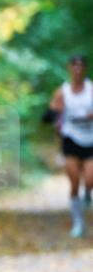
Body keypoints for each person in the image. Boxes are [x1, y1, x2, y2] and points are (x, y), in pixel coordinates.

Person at [49, 55, 93, 237]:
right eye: (74, 66)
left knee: (90, 179)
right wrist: (55, 115)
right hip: (71, 139)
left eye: (81, 66)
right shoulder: (62, 92)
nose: (77, 69)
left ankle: (88, 193)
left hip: (90, 140)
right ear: (69, 68)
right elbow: (52, 114)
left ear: (85, 69)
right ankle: (78, 223)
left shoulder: (91, 90)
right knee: (74, 182)